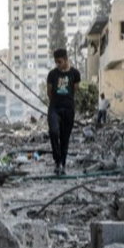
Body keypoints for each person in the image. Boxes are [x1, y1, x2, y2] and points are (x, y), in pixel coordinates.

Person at [46, 48, 81, 176]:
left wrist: (66, 100)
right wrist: (55, 102)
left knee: (65, 138)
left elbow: (75, 90)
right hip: (54, 108)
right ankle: (57, 160)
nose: (58, 65)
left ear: (66, 59)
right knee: (54, 131)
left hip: (69, 109)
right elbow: (49, 92)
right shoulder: (52, 74)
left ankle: (62, 164)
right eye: (56, 62)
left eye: (60, 62)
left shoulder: (75, 74)